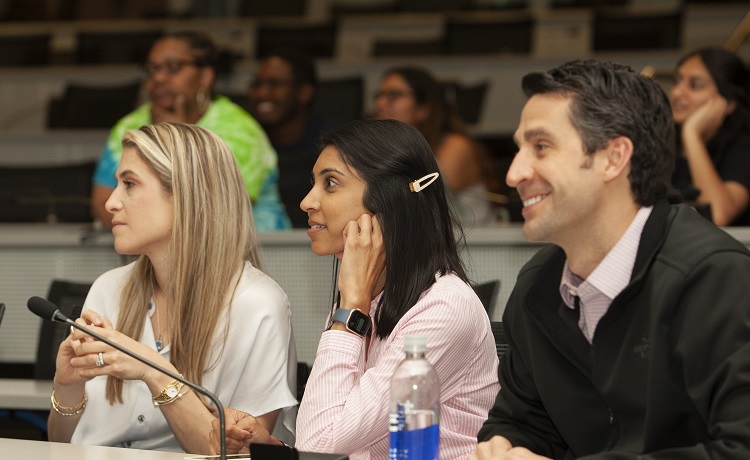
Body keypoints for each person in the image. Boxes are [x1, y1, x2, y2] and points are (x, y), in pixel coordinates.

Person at [473, 59, 750, 459]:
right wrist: (502, 448)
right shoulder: (539, 285)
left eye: (541, 147)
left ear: (613, 158)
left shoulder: (716, 278)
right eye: (518, 149)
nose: (514, 173)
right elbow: (519, 422)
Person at [209, 119, 499, 459]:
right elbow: (340, 441)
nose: (306, 201)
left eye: (330, 183)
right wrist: (274, 448)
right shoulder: (363, 298)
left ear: (388, 199)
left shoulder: (443, 308)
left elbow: (321, 441)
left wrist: (350, 308)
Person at [50, 123, 297, 453]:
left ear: (186, 194)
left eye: (129, 184)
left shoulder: (256, 303)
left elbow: (240, 454)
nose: (110, 203)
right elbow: (59, 446)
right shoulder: (109, 288)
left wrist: (156, 374)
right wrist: (66, 387)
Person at [90, 31, 291, 231]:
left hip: (259, 252)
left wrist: (176, 142)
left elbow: (215, 214)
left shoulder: (239, 131)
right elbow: (104, 204)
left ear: (205, 76)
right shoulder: (130, 126)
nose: (158, 77)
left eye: (172, 67)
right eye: (152, 69)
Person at [374, 66, 497, 226]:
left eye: (394, 95)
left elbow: (423, 201)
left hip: (480, 246)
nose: (381, 103)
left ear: (423, 109)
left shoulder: (457, 146)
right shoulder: (385, 149)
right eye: (379, 96)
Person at [248, 47, 342, 228]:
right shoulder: (248, 142)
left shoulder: (335, 144)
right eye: (257, 84)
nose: (262, 93)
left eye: (274, 84)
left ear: (303, 93)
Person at [670, 47, 750, 226]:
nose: (676, 92)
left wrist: (692, 134)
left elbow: (716, 215)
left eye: (695, 85)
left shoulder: (743, 148)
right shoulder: (662, 143)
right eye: (677, 81)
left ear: (727, 103)